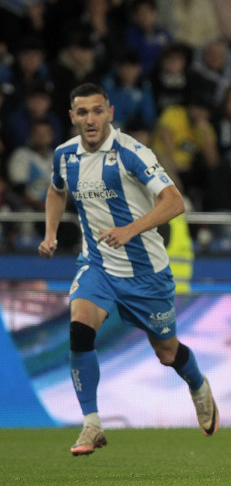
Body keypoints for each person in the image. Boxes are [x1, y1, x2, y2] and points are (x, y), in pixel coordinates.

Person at [37, 83, 218, 456]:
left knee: (167, 352)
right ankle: (91, 424)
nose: (90, 119)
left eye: (97, 110)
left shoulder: (132, 153)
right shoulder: (64, 156)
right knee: (79, 328)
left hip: (146, 272)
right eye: (82, 112)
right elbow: (57, 190)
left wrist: (130, 229)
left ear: (110, 113)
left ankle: (198, 386)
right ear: (72, 117)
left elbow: (175, 202)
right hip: (97, 264)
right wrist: (51, 233)